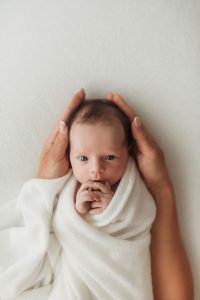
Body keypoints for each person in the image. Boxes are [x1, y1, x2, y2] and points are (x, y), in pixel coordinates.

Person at [37, 88, 194, 300]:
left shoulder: (132, 186)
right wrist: (76, 212)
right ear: (69, 154)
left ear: (127, 151)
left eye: (110, 157)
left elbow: (143, 217)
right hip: (79, 281)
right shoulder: (68, 190)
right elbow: (60, 228)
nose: (96, 169)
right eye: (83, 158)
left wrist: (117, 210)